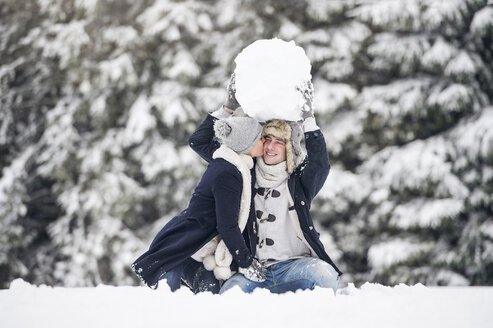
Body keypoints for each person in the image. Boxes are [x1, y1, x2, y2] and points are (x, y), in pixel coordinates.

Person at [188, 74, 343, 294]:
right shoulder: (242, 171)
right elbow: (199, 142)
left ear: (288, 147)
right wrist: (228, 107)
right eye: (266, 139)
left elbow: (320, 165)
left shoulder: (299, 180)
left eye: (279, 142)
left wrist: (308, 117)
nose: (270, 147)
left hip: (295, 267)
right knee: (228, 296)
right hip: (254, 272)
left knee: (325, 277)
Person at [132, 115, 267, 293]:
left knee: (209, 292)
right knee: (164, 300)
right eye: (260, 138)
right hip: (180, 247)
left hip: (198, 250)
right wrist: (246, 262)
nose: (265, 141)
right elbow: (228, 225)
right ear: (246, 145)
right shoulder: (228, 172)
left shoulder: (236, 165)